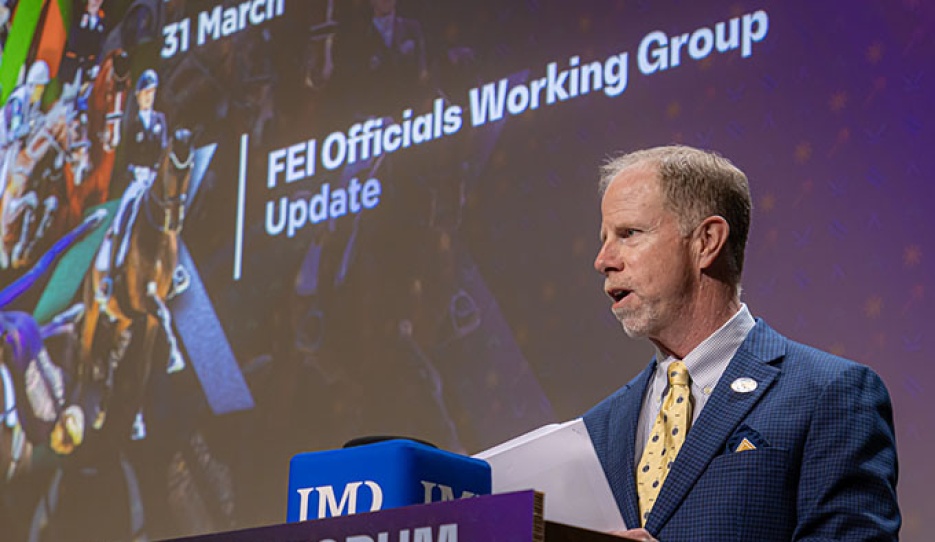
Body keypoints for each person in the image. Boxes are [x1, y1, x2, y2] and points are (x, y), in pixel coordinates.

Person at [584, 145, 899, 541]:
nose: (603, 260)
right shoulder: (599, 427)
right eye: (604, 238)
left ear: (707, 241)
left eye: (628, 234)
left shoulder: (830, 394)